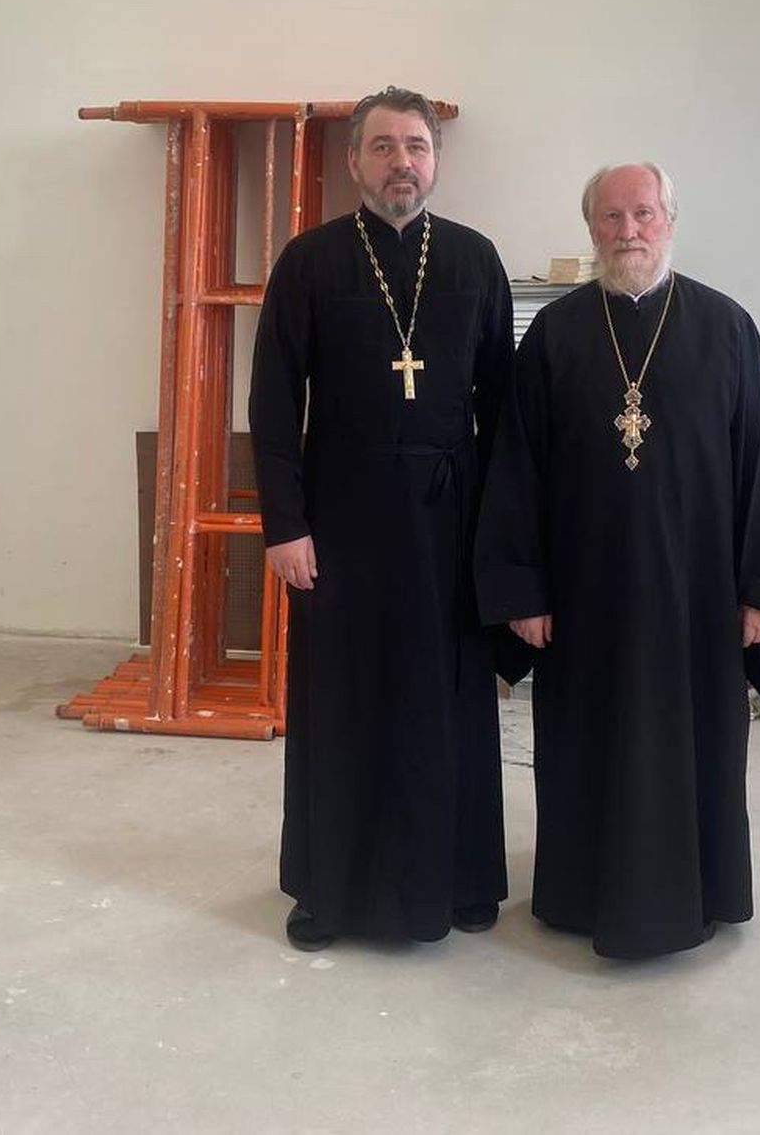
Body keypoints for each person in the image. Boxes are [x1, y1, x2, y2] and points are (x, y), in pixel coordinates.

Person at [474, 161, 760, 959]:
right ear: (591, 229)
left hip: (696, 598)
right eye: (611, 217)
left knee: (692, 747)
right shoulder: (555, 334)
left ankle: (697, 891)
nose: (627, 231)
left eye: (642, 214)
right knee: (585, 744)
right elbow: (517, 467)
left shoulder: (727, 327)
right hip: (583, 596)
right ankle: (579, 895)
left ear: (670, 220)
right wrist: (522, 591)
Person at [248, 86, 514, 952]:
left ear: (435, 160)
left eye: (416, 147)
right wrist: (285, 525)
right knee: (342, 700)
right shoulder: (310, 261)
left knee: (451, 699)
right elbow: (274, 400)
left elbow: (503, 410)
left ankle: (462, 876)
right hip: (342, 518)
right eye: (384, 146)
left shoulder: (474, 260)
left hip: (450, 516)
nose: (403, 162)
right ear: (354, 161)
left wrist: (501, 537)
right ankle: (328, 889)